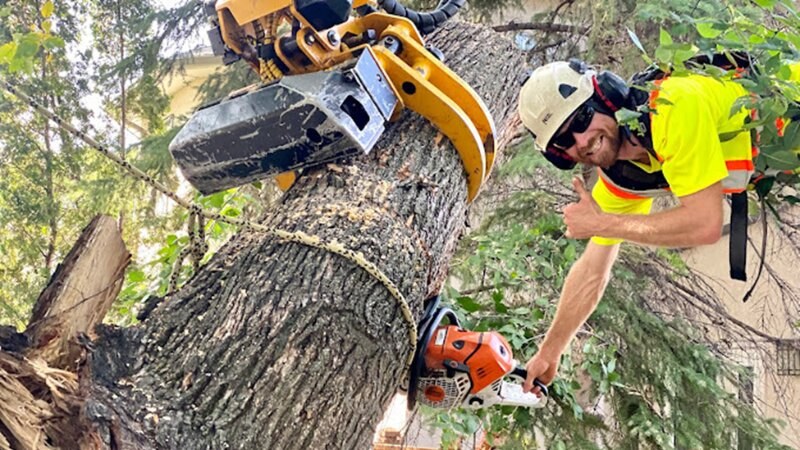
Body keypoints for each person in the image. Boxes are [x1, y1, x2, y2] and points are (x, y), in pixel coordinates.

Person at [516, 58, 800, 395]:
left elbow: (705, 224)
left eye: (582, 118)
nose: (582, 140)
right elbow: (592, 270)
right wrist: (550, 351)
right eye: (564, 140)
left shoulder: (671, 107)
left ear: (605, 98)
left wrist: (604, 223)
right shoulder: (624, 177)